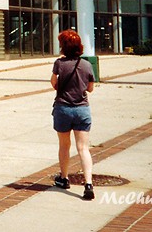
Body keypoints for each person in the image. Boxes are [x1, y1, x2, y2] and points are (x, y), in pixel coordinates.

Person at [51, 29, 96, 200]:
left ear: (63, 46)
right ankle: (88, 183)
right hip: (82, 109)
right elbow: (90, 88)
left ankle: (64, 178)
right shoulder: (86, 65)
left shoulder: (59, 64)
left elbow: (54, 83)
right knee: (83, 148)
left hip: (63, 108)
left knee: (64, 145)